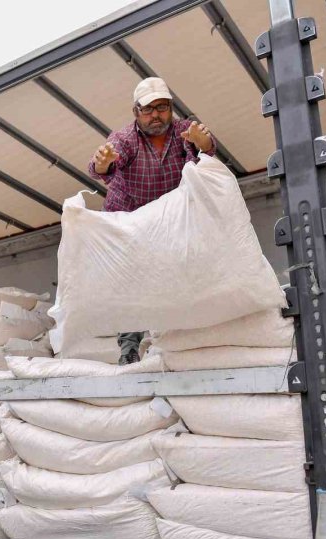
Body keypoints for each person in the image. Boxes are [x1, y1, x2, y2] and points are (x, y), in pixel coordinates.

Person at [88, 77, 216, 365]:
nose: (156, 115)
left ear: (171, 108)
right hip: (130, 217)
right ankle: (129, 348)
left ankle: (178, 340)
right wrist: (103, 161)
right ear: (136, 112)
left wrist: (202, 141)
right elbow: (101, 166)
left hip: (169, 217)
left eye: (162, 107)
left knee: (179, 271)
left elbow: (209, 148)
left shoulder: (185, 130)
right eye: (148, 109)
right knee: (131, 281)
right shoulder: (126, 138)